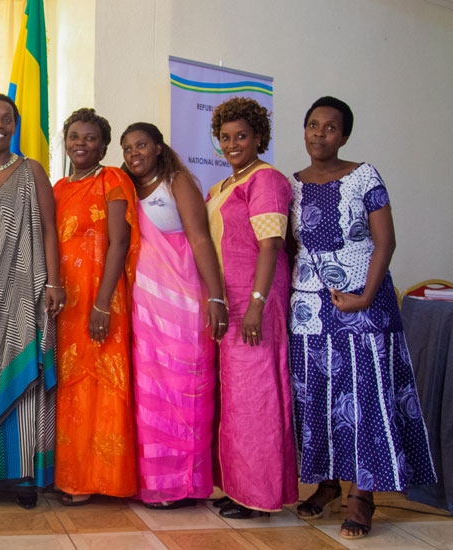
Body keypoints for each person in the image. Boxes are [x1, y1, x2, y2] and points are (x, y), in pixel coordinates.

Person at [288, 96, 436, 539]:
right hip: (308, 309)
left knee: (364, 398)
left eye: (330, 128)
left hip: (362, 307)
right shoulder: (290, 184)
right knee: (316, 397)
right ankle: (327, 483)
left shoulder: (364, 176)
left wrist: (365, 297)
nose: (319, 134)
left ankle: (362, 495)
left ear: (344, 135)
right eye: (313, 125)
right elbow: (290, 248)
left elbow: (385, 242)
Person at [0, 93, 64, 509]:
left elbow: (50, 229)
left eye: (6, 118)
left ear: (15, 125)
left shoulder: (30, 170)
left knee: (23, 377)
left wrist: (54, 282)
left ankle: (22, 477)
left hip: (23, 287)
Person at [120, 122, 227, 509]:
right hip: (145, 308)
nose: (135, 153)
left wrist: (217, 297)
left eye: (142, 145)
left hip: (183, 304)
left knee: (186, 389)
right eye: (128, 147)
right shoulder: (126, 188)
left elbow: (200, 239)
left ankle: (185, 483)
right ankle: (154, 482)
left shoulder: (177, 182)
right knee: (152, 394)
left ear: (159, 148)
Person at [205, 97, 298, 519]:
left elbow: (271, 246)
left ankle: (261, 496)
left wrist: (257, 305)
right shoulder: (221, 186)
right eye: (225, 137)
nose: (232, 144)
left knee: (256, 396)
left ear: (259, 136)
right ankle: (239, 487)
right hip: (231, 301)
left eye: (241, 136)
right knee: (234, 397)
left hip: (255, 300)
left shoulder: (266, 180)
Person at [53, 108, 140, 506]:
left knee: (105, 383)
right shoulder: (56, 188)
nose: (81, 143)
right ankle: (76, 477)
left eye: (90, 137)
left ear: (104, 145)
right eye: (74, 136)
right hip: (67, 300)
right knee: (71, 385)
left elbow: (119, 242)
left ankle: (107, 477)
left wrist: (103, 303)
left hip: (104, 296)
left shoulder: (113, 179)